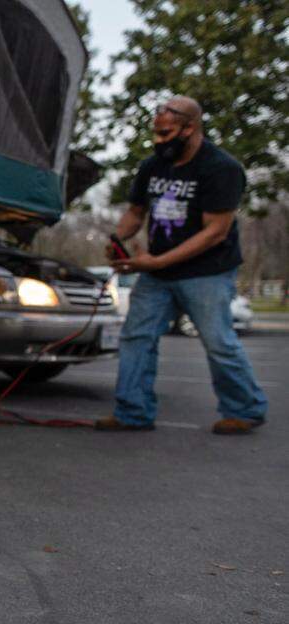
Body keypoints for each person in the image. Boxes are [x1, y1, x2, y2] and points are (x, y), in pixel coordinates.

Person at [97, 96, 267, 435]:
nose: (159, 142)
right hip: (158, 272)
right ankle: (133, 411)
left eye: (167, 134)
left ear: (190, 128)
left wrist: (154, 261)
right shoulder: (152, 166)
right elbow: (135, 212)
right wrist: (117, 239)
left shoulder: (221, 168)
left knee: (219, 340)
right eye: (156, 134)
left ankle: (243, 410)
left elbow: (214, 233)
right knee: (136, 337)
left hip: (208, 271)